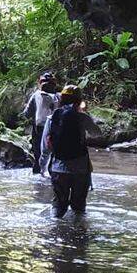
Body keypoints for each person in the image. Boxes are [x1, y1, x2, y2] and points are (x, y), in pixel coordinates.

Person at [42, 85, 98, 217]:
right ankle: (79, 233)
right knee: (79, 208)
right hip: (81, 169)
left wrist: (43, 165)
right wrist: (85, 113)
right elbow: (97, 133)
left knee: (58, 205)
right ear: (79, 100)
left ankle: (55, 230)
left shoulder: (52, 118)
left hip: (58, 168)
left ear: (61, 99)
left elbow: (45, 146)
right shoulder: (82, 117)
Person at [22, 72, 60, 174]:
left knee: (38, 154)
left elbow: (26, 113)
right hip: (56, 129)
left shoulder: (36, 95)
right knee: (54, 154)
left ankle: (38, 180)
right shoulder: (59, 97)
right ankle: (52, 176)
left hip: (39, 128)